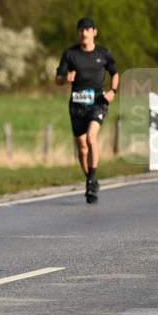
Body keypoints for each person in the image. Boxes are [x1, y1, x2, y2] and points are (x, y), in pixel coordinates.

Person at [56, 17, 119, 204]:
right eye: (81, 30)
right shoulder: (70, 54)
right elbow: (57, 79)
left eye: (88, 29)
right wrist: (66, 78)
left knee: (92, 138)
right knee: (82, 149)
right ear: (78, 33)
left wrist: (113, 91)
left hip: (98, 103)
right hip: (77, 106)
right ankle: (90, 179)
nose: (84, 33)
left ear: (94, 32)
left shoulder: (103, 53)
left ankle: (91, 181)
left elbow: (115, 73)